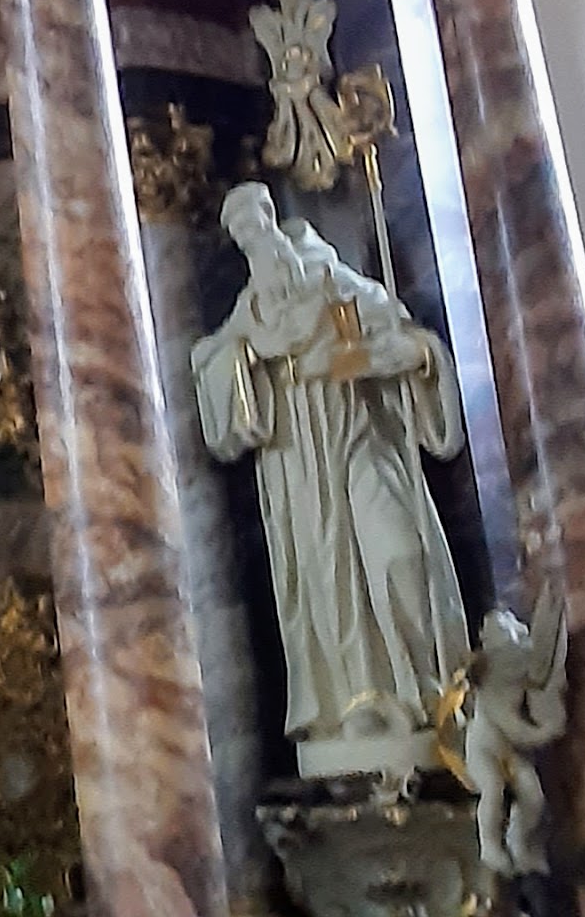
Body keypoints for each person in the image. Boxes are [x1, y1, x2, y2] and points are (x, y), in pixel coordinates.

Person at [192, 181, 469, 777]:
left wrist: (386, 358)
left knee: (398, 551)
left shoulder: (334, 281)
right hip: (298, 466)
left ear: (276, 225)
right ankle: (360, 704)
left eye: (259, 227)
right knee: (327, 580)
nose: (256, 243)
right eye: (243, 237)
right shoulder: (251, 314)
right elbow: (215, 378)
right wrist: (242, 364)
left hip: (359, 439)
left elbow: (404, 342)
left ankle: (427, 688)